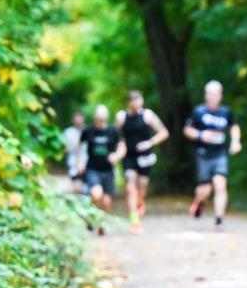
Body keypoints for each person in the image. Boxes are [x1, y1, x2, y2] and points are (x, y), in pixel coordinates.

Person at [184, 81, 241, 232]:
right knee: (205, 189)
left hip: (220, 154)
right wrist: (201, 134)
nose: (213, 97)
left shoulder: (225, 112)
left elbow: (234, 126)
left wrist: (235, 142)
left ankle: (219, 220)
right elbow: (187, 130)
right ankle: (200, 201)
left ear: (220, 95)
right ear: (206, 95)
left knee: (220, 184)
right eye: (210, 94)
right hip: (203, 154)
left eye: (216, 94)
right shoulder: (199, 111)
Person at [116, 90, 169, 235]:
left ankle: (140, 202)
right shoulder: (122, 117)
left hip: (145, 156)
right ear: (129, 103)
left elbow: (164, 132)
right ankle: (134, 219)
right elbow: (116, 135)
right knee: (130, 185)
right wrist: (120, 147)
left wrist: (150, 143)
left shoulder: (148, 115)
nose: (136, 103)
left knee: (142, 186)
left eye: (138, 100)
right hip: (129, 156)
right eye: (133, 101)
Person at [78, 105, 126, 235]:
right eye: (99, 118)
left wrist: (116, 156)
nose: (101, 121)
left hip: (108, 170)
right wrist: (80, 163)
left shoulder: (113, 131)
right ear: (95, 118)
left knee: (106, 202)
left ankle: (101, 222)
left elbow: (122, 148)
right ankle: (90, 216)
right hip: (92, 168)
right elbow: (80, 147)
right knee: (96, 193)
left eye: (103, 119)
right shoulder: (88, 131)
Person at [62, 110, 87, 194]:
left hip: (88, 163)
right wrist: (74, 146)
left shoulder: (88, 130)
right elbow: (63, 149)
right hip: (73, 164)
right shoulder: (67, 132)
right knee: (78, 188)